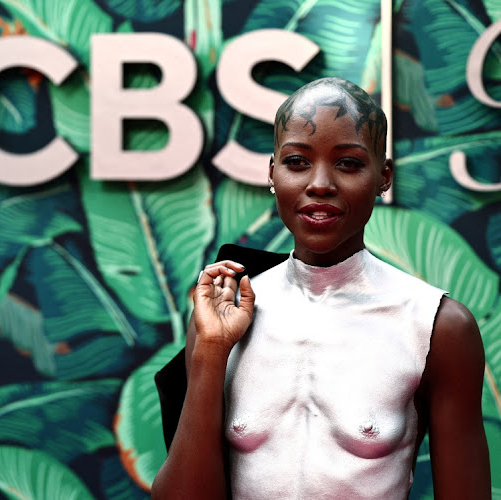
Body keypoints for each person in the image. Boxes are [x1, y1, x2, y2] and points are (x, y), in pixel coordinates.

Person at [151, 77, 490, 499]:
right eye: (297, 162)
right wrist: (210, 352)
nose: (320, 184)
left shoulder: (436, 326)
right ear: (272, 172)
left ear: (383, 177)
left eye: (347, 163)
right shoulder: (226, 314)